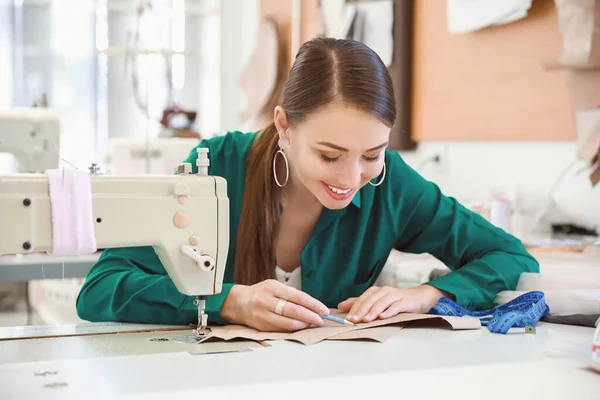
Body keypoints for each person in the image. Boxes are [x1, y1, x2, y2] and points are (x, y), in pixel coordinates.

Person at [76, 38, 539, 332]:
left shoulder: (392, 184)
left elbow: (511, 256)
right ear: (284, 125)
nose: (350, 178)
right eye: (330, 155)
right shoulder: (214, 167)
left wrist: (426, 295)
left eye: (371, 155)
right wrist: (227, 302)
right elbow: (102, 287)